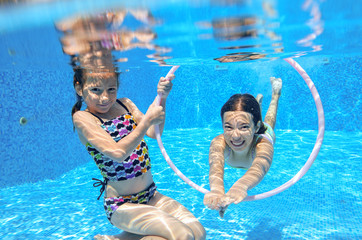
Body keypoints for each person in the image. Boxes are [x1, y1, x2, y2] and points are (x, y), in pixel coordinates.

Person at [72, 68, 206, 240]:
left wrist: (161, 98)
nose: (105, 97)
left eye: (111, 89)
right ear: (79, 88)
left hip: (151, 195)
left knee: (198, 233)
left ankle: (122, 239)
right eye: (95, 90)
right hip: (121, 204)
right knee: (183, 236)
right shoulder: (84, 118)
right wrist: (147, 121)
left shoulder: (125, 104)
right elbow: (117, 152)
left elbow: (152, 131)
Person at [203, 77, 282, 217]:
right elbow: (216, 166)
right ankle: (255, 107)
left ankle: (275, 94)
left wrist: (240, 186)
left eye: (244, 127)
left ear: (256, 127)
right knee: (250, 116)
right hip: (254, 123)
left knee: (269, 121)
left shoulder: (264, 144)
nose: (235, 136)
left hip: (263, 133)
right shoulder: (218, 142)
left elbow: (259, 167)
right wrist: (217, 191)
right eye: (228, 127)